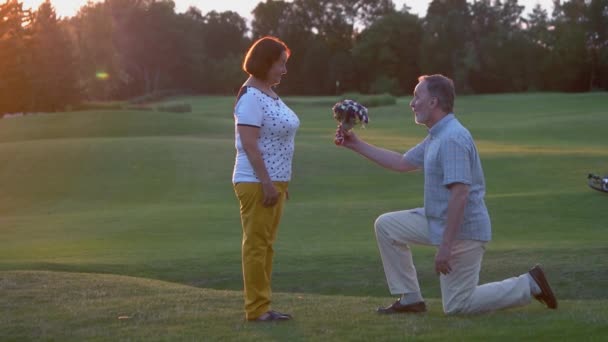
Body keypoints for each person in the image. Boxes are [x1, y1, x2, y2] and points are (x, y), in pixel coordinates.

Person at [337, 74, 557, 315]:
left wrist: (445, 247)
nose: (412, 103)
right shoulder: (437, 134)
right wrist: (355, 144)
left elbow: (460, 194)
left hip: (464, 232)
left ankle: (530, 283)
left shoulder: (452, 137)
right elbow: (401, 162)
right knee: (387, 226)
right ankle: (411, 299)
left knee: (457, 305)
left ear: (433, 102)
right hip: (437, 221)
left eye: (416, 96)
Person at [232, 36, 299, 321]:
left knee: (266, 245)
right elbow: (250, 144)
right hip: (257, 182)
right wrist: (268, 183)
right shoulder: (250, 97)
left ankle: (263, 306)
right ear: (265, 63)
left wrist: (281, 182)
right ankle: (257, 309)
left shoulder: (268, 93)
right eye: (280, 64)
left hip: (274, 182)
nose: (284, 70)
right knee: (256, 246)